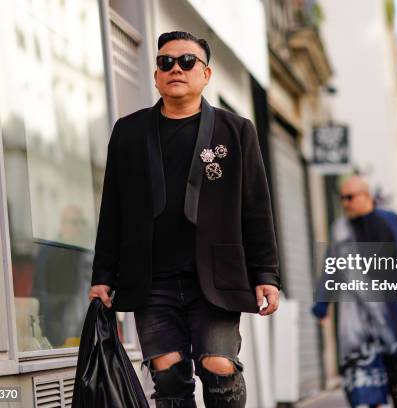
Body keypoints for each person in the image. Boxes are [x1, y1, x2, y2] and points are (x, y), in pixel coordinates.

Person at [87, 31, 280, 408]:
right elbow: (113, 209)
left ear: (206, 75)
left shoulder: (236, 131)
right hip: (150, 277)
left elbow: (255, 208)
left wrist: (266, 275)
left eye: (187, 61)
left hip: (215, 276)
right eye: (166, 62)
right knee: (169, 374)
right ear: (156, 74)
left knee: (219, 365)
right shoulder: (128, 131)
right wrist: (103, 276)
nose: (176, 68)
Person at [313, 175, 397, 408]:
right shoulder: (340, 229)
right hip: (356, 317)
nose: (345, 203)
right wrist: (322, 305)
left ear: (366, 196)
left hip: (390, 314)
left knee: (395, 368)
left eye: (350, 197)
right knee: (363, 381)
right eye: (342, 198)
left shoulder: (391, 222)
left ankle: (395, 392)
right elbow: (331, 266)